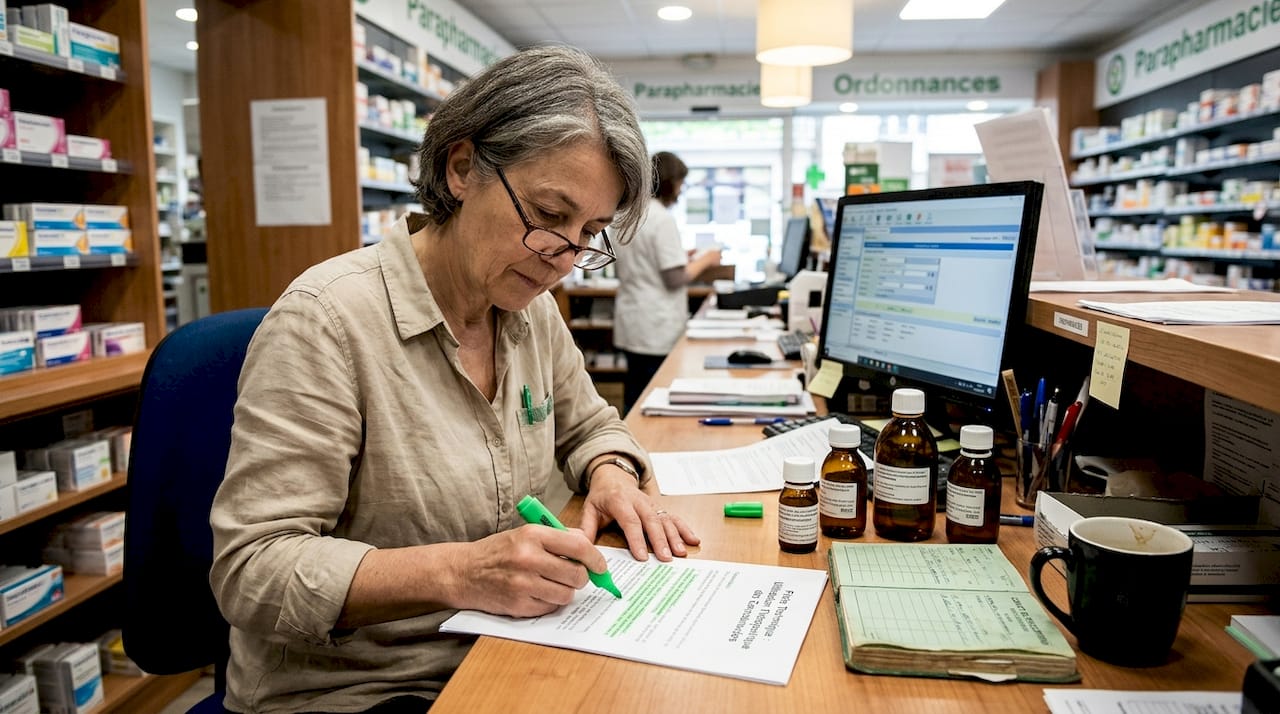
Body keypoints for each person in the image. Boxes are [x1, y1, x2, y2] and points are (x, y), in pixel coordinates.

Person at [209, 46, 700, 714]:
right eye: (549, 216)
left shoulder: (528, 312)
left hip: (508, 650)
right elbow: (253, 570)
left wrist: (611, 476)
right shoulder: (327, 322)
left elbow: (591, 424)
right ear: (462, 167)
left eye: (589, 232)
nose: (563, 260)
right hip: (359, 689)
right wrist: (462, 571)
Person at [613, 151, 722, 412]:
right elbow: (675, 278)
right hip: (655, 324)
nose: (681, 190)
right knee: (653, 398)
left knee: (636, 393)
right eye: (681, 183)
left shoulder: (625, 214)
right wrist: (707, 259)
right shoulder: (661, 218)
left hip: (634, 319)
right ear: (670, 182)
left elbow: (644, 260)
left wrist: (683, 256)